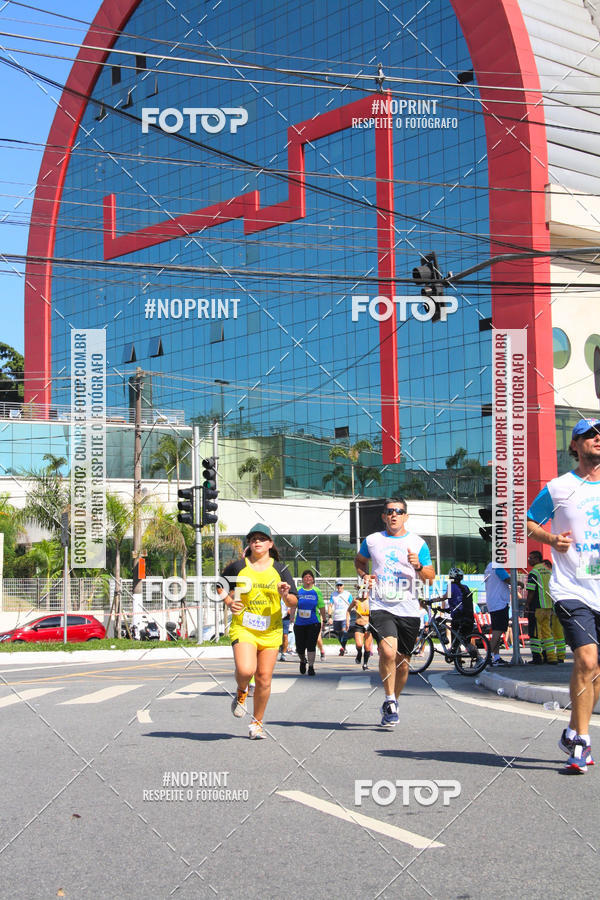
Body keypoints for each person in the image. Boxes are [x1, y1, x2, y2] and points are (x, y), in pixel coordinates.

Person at [527, 417, 600, 773]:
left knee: (597, 671)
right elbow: (528, 522)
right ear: (574, 446)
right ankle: (583, 745)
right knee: (586, 661)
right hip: (571, 589)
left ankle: (572, 728)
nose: (597, 439)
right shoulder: (557, 488)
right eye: (588, 435)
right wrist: (551, 540)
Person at [355, 497, 435, 727]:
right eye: (390, 511)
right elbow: (360, 561)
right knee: (387, 652)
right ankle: (389, 699)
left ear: (405, 517)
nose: (394, 515)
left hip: (408, 608)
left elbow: (430, 579)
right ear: (383, 516)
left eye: (399, 511)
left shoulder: (418, 543)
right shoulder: (372, 541)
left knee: (403, 663)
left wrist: (418, 566)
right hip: (381, 606)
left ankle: (394, 701)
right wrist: (365, 576)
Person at [221, 523, 298, 739]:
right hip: (243, 626)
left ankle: (257, 723)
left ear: (270, 544)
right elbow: (219, 584)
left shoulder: (280, 569)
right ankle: (242, 691)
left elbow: (294, 600)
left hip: (270, 630)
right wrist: (228, 600)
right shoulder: (238, 567)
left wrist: (285, 595)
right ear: (249, 543)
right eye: (253, 538)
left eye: (261, 538)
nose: (257, 542)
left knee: (264, 678)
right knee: (246, 670)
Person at [526, 550, 566, 664]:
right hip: (548, 607)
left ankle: (537, 657)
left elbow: (531, 591)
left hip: (537, 607)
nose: (529, 560)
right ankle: (551, 657)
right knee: (547, 633)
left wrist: (527, 605)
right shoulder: (548, 572)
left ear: (538, 559)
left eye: (531, 558)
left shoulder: (534, 572)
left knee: (535, 633)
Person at [293, 569, 326, 675]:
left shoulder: (316, 591)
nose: (307, 579)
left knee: (311, 645)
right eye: (305, 577)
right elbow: (293, 604)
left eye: (310, 577)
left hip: (313, 622)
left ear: (313, 579)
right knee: (300, 646)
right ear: (302, 579)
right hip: (300, 623)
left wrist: (324, 619)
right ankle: (303, 661)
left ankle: (311, 667)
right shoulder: (298, 590)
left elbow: (321, 606)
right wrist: (292, 616)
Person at [483, 562, 511, 666]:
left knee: (496, 631)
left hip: (493, 603)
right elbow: (507, 579)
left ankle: (496, 657)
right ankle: (488, 656)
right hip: (500, 603)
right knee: (497, 632)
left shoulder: (488, 567)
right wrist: (519, 583)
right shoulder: (497, 567)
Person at [446, 566, 475, 643]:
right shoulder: (465, 587)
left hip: (458, 618)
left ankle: (455, 652)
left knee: (455, 643)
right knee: (466, 642)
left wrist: (432, 600)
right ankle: (477, 654)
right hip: (469, 617)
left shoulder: (451, 586)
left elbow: (445, 596)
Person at [348, 584, 372, 670]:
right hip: (359, 625)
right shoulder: (356, 601)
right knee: (359, 644)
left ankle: (365, 664)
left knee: (367, 647)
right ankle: (359, 653)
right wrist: (348, 621)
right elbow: (348, 610)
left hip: (369, 626)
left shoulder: (371, 601)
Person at [330, 579, 352, 655]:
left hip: (345, 616)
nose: (339, 587)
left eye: (340, 585)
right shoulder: (333, 595)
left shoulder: (347, 594)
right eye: (338, 585)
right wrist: (330, 616)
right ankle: (344, 648)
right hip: (336, 617)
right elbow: (330, 605)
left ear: (343, 586)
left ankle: (343, 647)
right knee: (338, 633)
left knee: (344, 631)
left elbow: (352, 604)